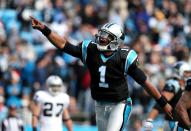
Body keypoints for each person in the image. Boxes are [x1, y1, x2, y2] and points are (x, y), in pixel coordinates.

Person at [30, 16, 173, 131]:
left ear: (116, 41)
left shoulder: (123, 57)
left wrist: (163, 103)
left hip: (120, 104)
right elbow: (64, 45)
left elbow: (145, 82)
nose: (102, 37)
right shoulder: (91, 50)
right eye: (102, 34)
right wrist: (45, 30)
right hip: (99, 104)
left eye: (107, 36)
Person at [143, 61, 191, 131]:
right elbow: (162, 102)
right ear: (178, 72)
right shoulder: (174, 84)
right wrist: (150, 119)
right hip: (172, 123)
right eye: (186, 72)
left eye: (189, 72)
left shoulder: (186, 85)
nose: (189, 74)